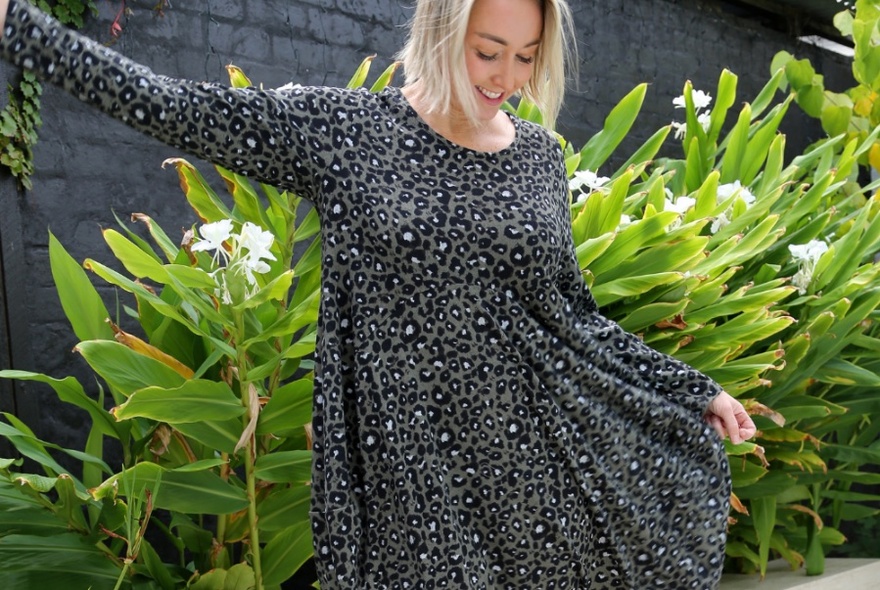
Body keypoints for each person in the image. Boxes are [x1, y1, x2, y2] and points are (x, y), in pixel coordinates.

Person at [0, 0, 756, 587]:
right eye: (488, 51)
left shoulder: (540, 159)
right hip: (408, 470)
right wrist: (22, 29)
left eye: (527, 57)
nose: (506, 77)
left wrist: (687, 389)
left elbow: (571, 314)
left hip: (531, 468)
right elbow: (175, 106)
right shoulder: (346, 131)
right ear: (439, 30)